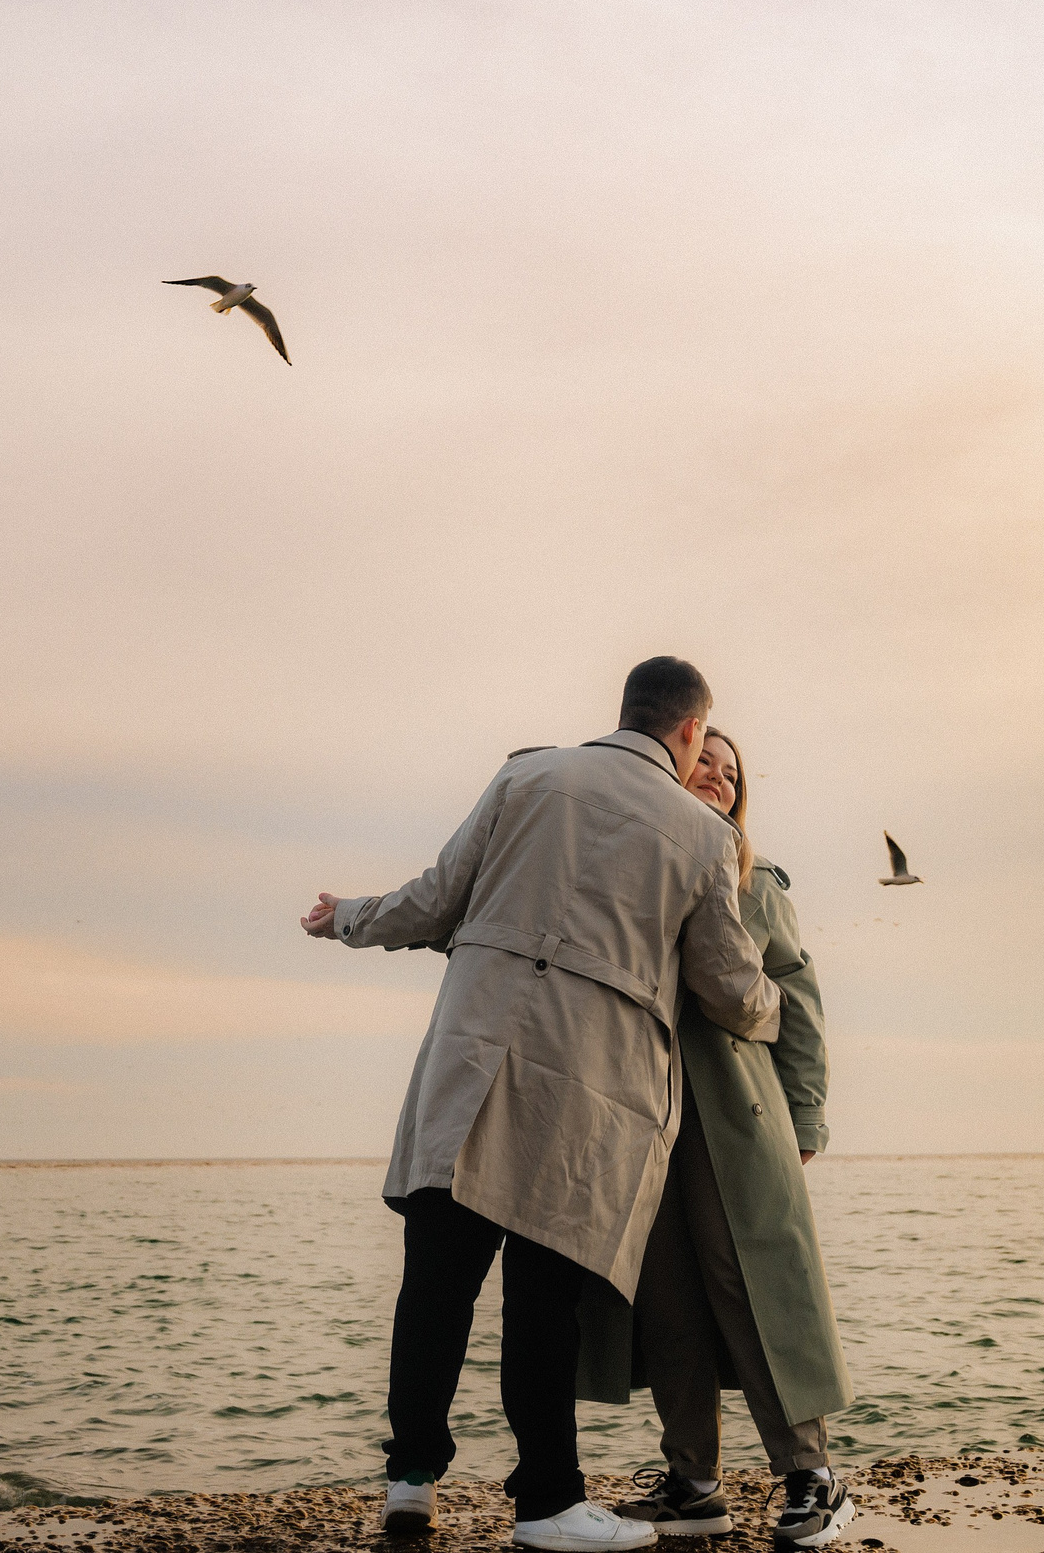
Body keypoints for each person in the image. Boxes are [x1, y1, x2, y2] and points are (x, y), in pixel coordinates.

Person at [301, 658, 783, 1553]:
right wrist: (776, 1008)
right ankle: (547, 1503)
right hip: (582, 1091)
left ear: (626, 710)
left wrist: (348, 916)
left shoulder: (526, 774)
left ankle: (410, 1483)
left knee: (435, 1283)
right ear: (688, 730)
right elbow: (725, 983)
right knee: (540, 1300)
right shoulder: (701, 834)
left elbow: (435, 899)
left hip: (470, 1060)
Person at [581, 728, 855, 1547]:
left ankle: (813, 1475)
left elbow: (796, 1000)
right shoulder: (633, 863)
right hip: (639, 1116)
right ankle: (694, 1483)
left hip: (737, 1117)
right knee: (665, 1300)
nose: (721, 778)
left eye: (733, 773)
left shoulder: (753, 876)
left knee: (756, 1290)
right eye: (707, 760)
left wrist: (805, 1115)